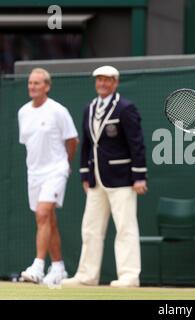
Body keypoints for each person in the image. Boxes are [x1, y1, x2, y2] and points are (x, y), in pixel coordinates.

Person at [62, 65, 148, 288]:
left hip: (122, 178)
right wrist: (84, 173)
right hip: (95, 179)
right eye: (99, 80)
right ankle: (86, 275)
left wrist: (139, 176)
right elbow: (87, 144)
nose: (102, 84)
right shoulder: (89, 108)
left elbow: (136, 144)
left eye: (107, 80)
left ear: (115, 82)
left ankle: (129, 276)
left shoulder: (126, 108)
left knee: (125, 227)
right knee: (90, 228)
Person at [18, 68, 79, 285]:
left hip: (56, 170)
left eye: (37, 83)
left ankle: (37, 266)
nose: (32, 87)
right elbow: (29, 144)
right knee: (48, 220)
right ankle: (59, 267)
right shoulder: (23, 112)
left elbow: (73, 140)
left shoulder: (58, 111)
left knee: (43, 214)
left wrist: (65, 163)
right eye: (30, 83)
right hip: (34, 173)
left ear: (47, 86)